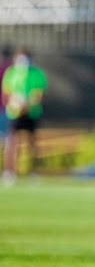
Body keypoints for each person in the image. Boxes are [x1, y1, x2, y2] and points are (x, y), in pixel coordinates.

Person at [2, 48, 47, 184]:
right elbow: (6, 94)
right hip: (14, 113)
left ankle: (33, 172)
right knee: (11, 142)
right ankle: (9, 172)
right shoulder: (11, 73)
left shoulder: (37, 74)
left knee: (32, 143)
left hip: (31, 113)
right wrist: (15, 104)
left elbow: (38, 95)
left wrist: (27, 105)